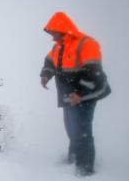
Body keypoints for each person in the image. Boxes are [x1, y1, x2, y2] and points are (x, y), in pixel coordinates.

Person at [40, 12, 111, 176]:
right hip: (68, 93)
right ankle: (73, 159)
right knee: (71, 128)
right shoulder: (59, 46)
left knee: (82, 130)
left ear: (63, 30)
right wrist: (45, 75)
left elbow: (94, 75)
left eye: (54, 33)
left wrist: (80, 94)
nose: (52, 37)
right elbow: (50, 61)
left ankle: (85, 169)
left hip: (86, 93)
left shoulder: (86, 44)